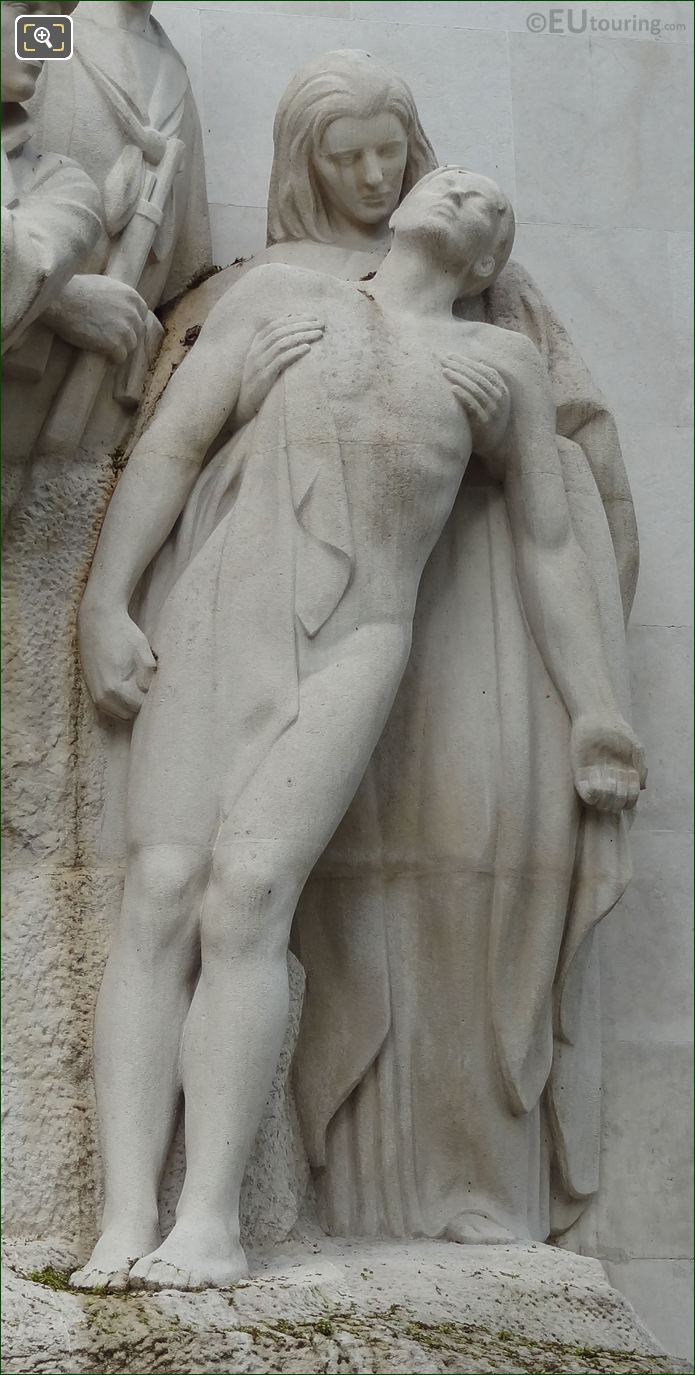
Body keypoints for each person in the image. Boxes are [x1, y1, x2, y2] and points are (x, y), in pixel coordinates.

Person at [101, 49, 640, 1250]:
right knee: (160, 892)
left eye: (487, 207)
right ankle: (121, 1214)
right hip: (214, 616)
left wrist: (596, 707)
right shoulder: (272, 305)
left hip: (358, 643)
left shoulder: (495, 363)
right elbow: (172, 450)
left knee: (246, 896)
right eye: (458, 190)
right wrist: (107, 606)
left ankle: (206, 1222)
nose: (467, 200)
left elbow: (553, 547)